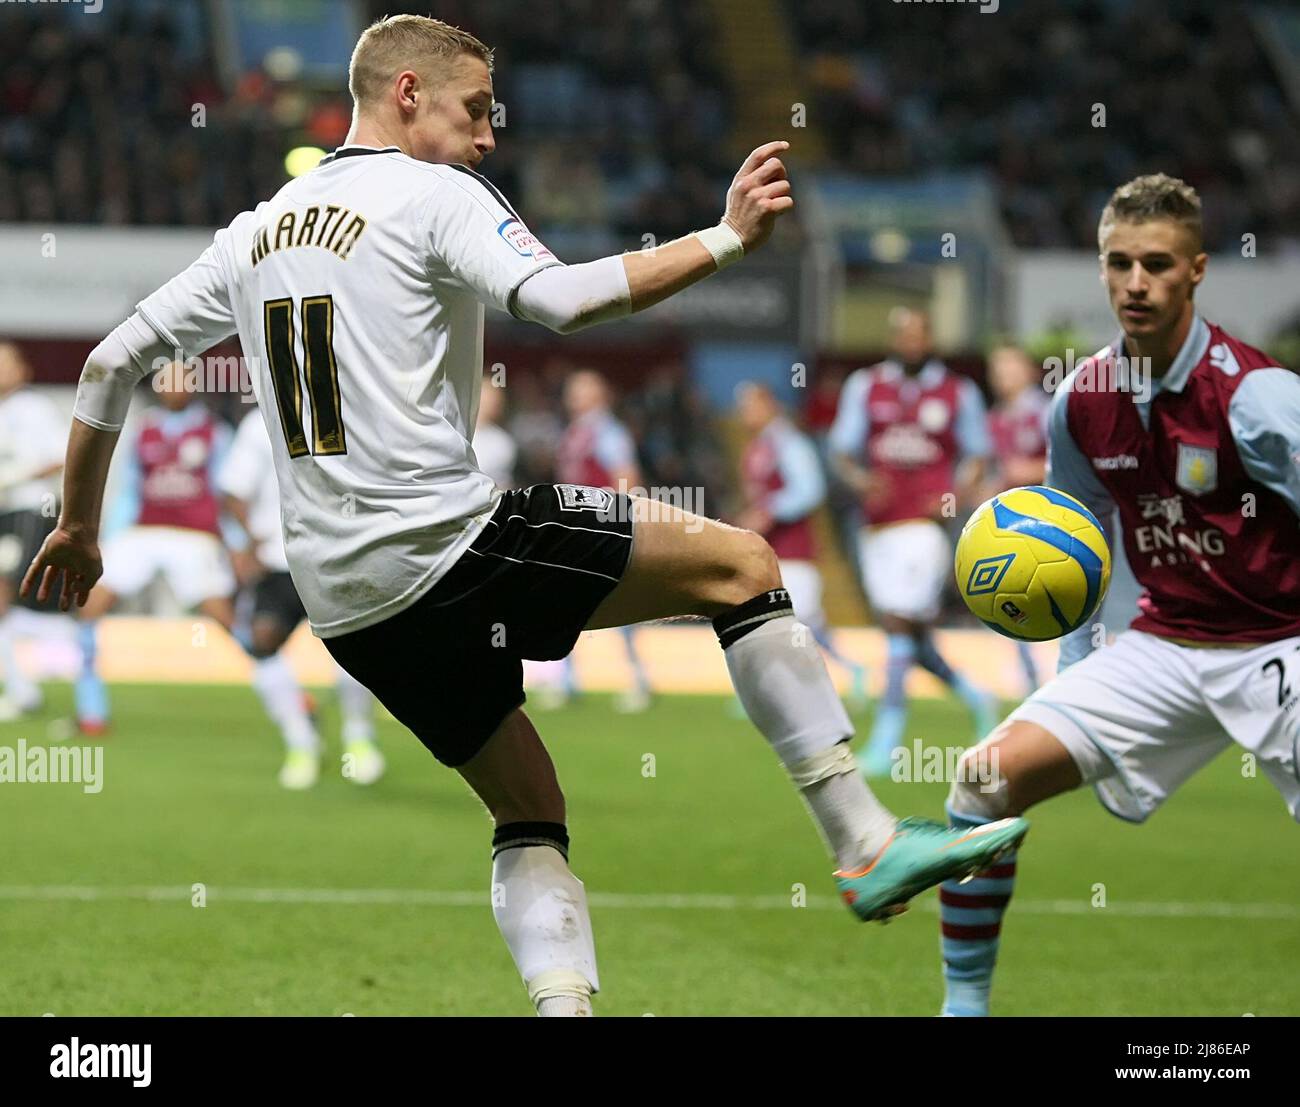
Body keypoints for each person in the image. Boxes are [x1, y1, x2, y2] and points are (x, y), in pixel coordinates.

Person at [26, 14, 1026, 1016]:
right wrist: (724, 238)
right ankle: (863, 842)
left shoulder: (255, 231)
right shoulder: (432, 192)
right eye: (475, 109)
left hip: (348, 608)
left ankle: (564, 1009)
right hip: (446, 544)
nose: (490, 136)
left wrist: (77, 526)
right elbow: (562, 300)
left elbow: (111, 363)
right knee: (742, 564)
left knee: (529, 807)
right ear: (407, 94)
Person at [933, 174, 1300, 1017]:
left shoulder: (1259, 399)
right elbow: (1077, 543)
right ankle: (962, 1008)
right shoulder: (1082, 402)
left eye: (1158, 264)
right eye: (1119, 262)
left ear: (1197, 271)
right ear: (1101, 268)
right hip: (1163, 646)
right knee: (984, 778)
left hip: (1283, 643)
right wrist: (1064, 677)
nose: (1137, 282)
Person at [830, 308, 1001, 776]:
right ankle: (975, 696)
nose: (910, 341)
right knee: (907, 634)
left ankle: (888, 736)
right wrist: (859, 479)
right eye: (902, 332)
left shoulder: (956, 391)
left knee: (899, 622)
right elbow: (842, 449)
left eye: (918, 333)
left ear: (929, 339)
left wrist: (955, 494)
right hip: (877, 524)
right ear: (893, 336)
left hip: (926, 526)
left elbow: (978, 454)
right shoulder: (865, 386)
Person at [220, 407, 382, 790]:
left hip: (339, 553)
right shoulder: (261, 421)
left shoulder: (352, 410)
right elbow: (234, 491)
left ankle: (358, 738)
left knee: (354, 646)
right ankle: (301, 741)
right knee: (262, 642)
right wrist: (244, 542)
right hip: (280, 559)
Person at [73, 366, 236, 735]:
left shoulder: (215, 432)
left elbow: (223, 491)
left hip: (195, 537)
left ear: (194, 383)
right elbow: (130, 489)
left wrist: (235, 545)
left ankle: (277, 680)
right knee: (89, 608)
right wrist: (107, 538)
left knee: (225, 619)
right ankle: (91, 710)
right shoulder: (143, 429)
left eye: (183, 378)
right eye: (168, 379)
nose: (174, 387)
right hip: (143, 533)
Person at [733, 381, 868, 707]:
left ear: (768, 404)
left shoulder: (789, 443)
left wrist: (770, 511)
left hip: (794, 553)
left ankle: (843, 674)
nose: (744, 414)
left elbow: (810, 490)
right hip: (769, 553)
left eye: (749, 405)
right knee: (780, 623)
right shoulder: (758, 447)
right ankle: (771, 688)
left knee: (796, 624)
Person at [555, 368, 652, 713]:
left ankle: (639, 680)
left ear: (598, 395)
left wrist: (616, 526)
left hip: (597, 531)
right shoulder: (576, 432)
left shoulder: (607, 432)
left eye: (581, 390)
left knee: (615, 605)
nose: (573, 396)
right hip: (575, 532)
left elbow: (627, 479)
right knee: (564, 606)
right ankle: (567, 680)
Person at [0, 342, 67, 720]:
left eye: (6, 364)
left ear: (23, 370)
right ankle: (23, 683)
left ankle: (28, 683)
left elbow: (59, 456)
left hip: (30, 508)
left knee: (9, 592)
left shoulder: (35, 408)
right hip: (6, 509)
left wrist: (14, 477)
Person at [983, 343, 1052, 694]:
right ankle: (1030, 676)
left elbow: (1073, 461)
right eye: (996, 368)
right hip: (1011, 527)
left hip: (1049, 525)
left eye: (1009, 367)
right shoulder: (994, 418)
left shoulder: (1045, 412)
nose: (1001, 376)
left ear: (1029, 370)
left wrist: (1032, 469)